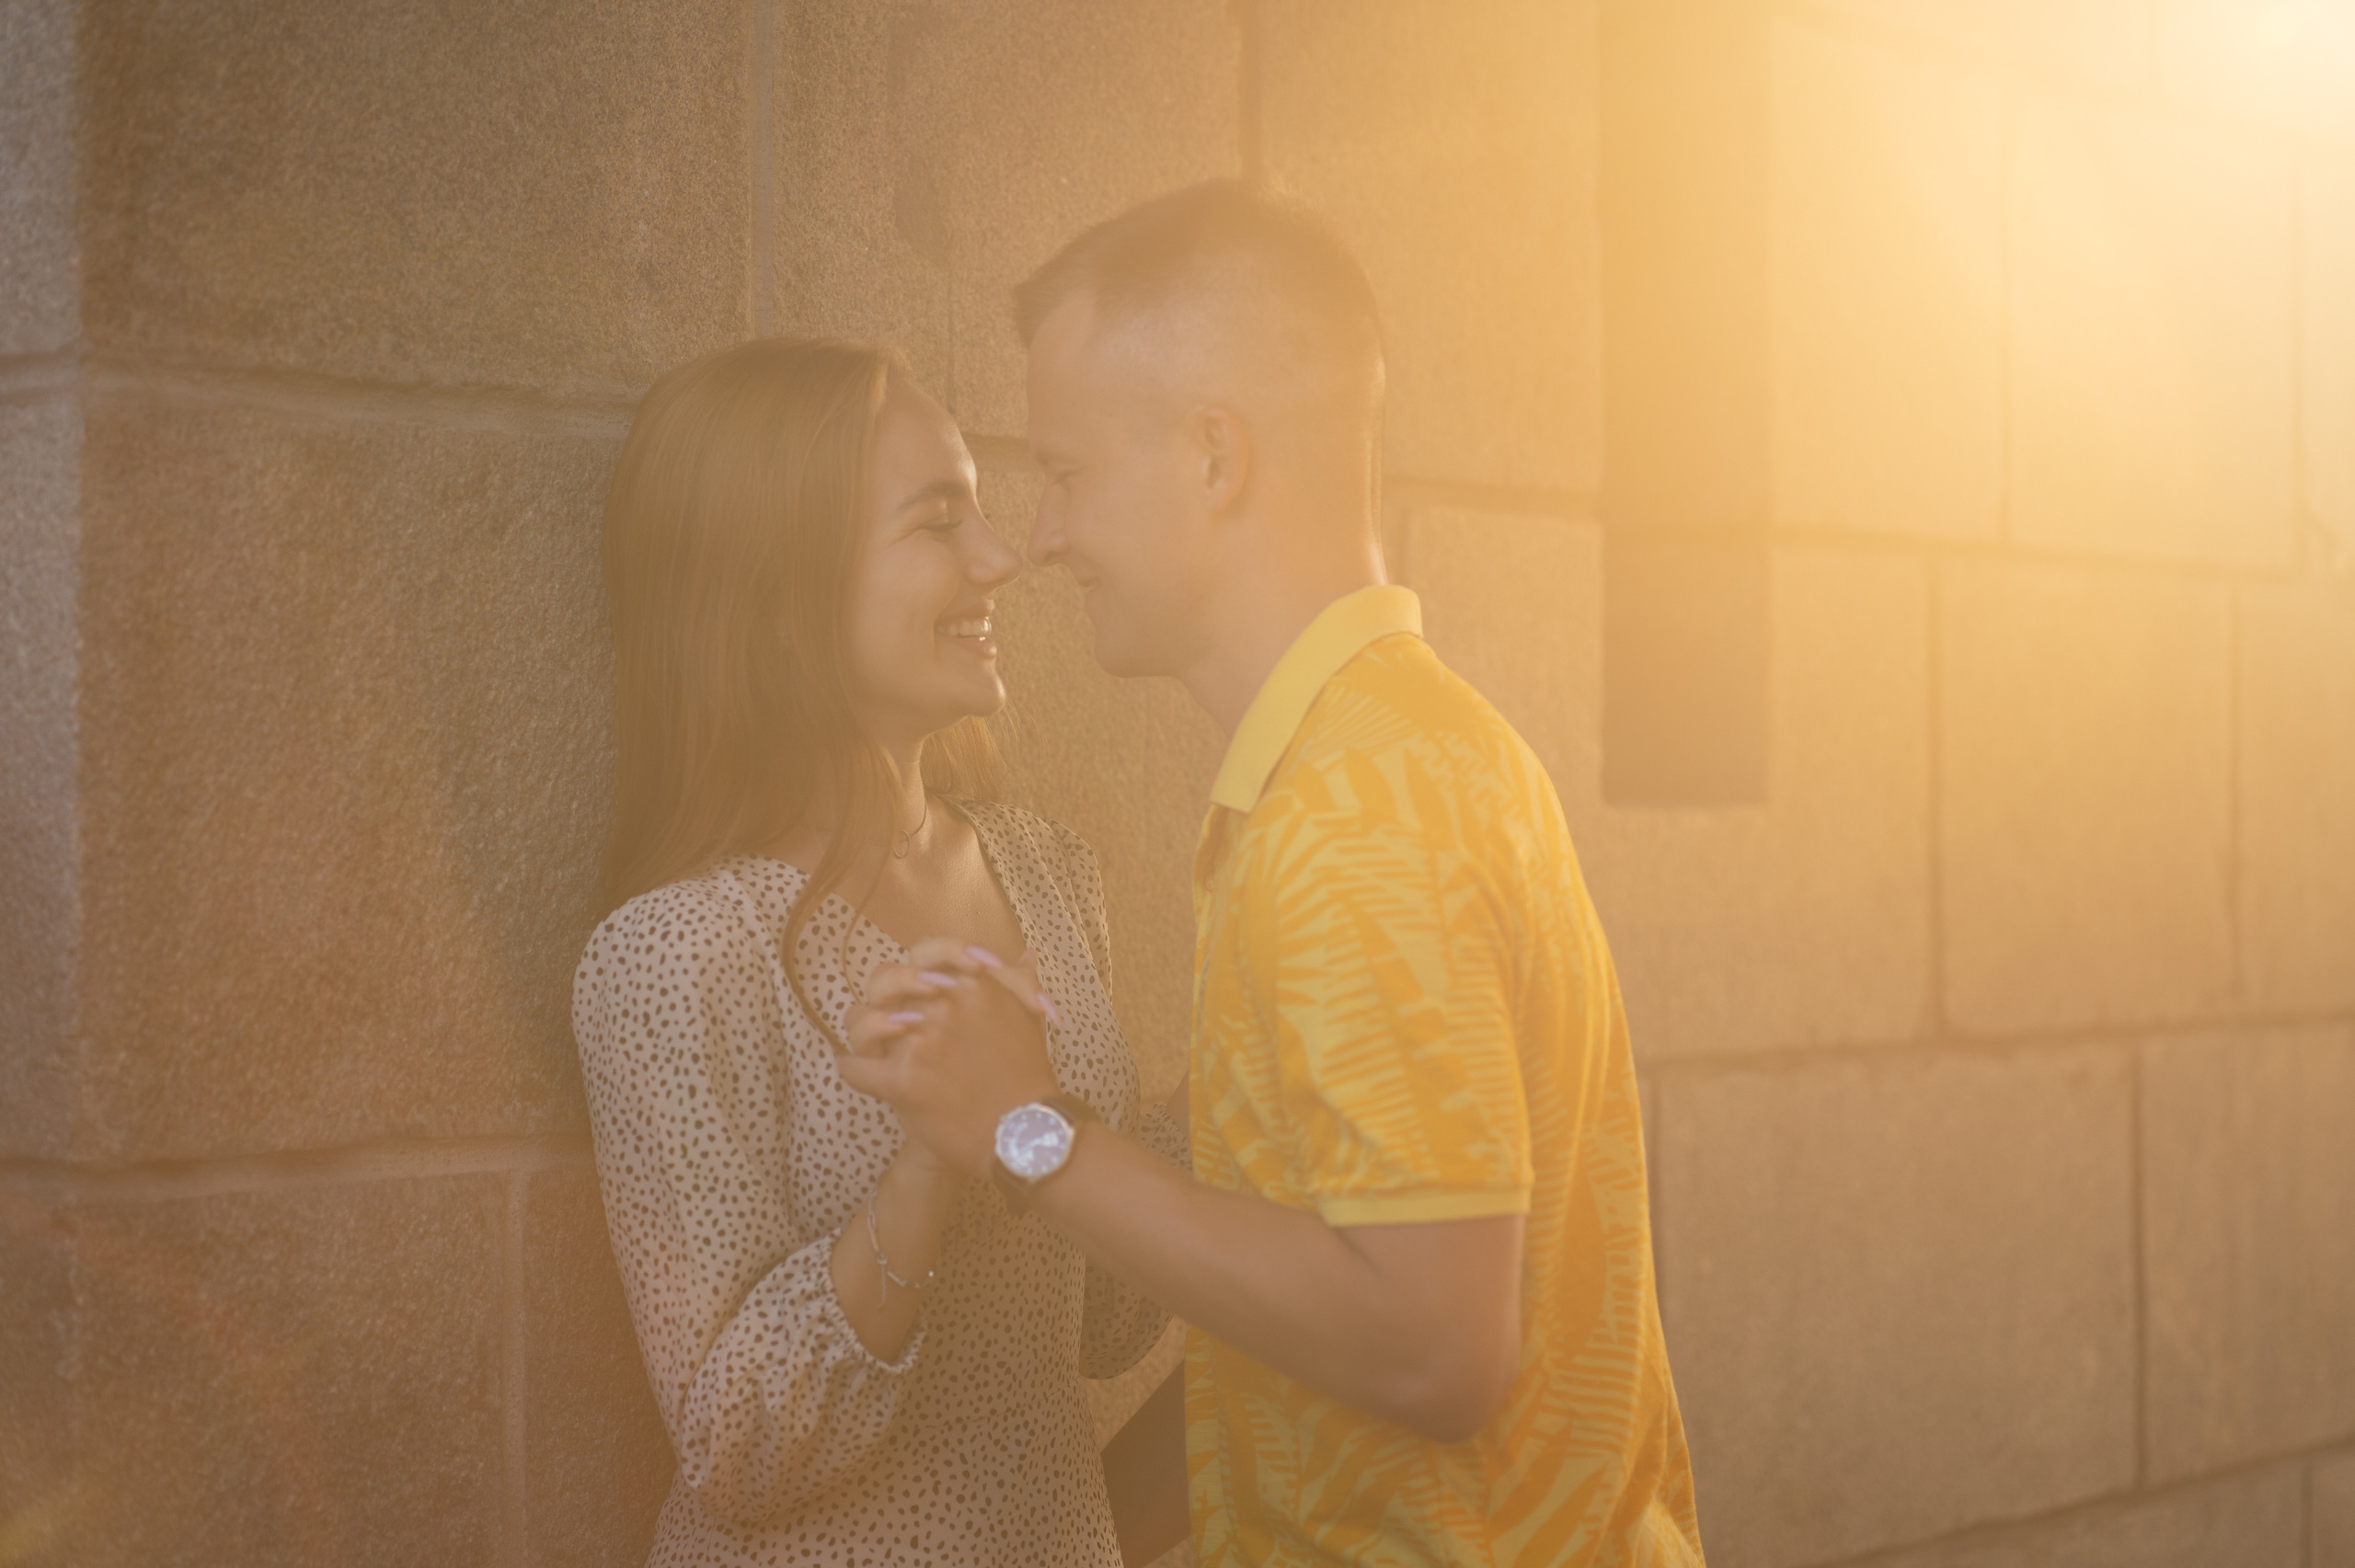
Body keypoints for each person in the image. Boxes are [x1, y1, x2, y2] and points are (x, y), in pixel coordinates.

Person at [838, 182, 1706, 1566]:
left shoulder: (1355, 817)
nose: (1043, 536)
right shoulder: (1393, 755)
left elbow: (1431, 1348)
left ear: (1212, 458)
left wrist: (1026, 1126)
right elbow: (1311, 1311)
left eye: (1063, 471)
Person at [571, 337, 1189, 1567]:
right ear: (782, 597)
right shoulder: (669, 955)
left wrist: (1257, 1045)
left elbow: (1109, 1322)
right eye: (937, 520)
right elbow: (741, 1454)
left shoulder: (1046, 870)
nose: (1001, 556)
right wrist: (928, 1165)